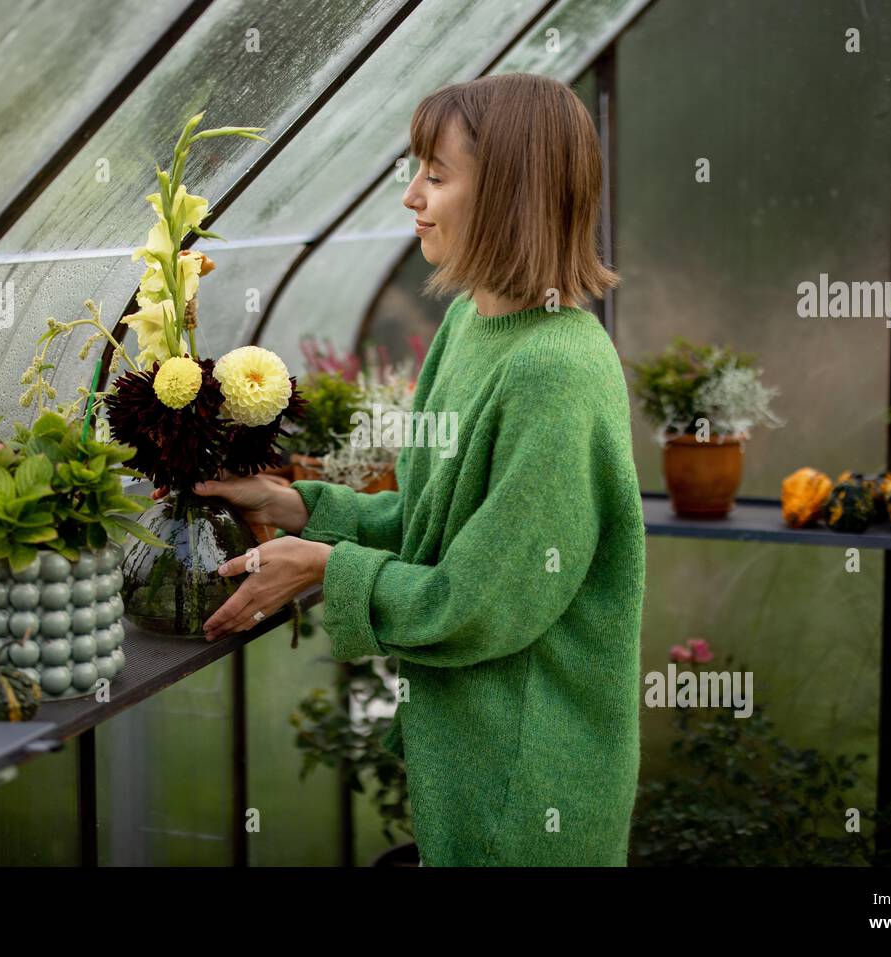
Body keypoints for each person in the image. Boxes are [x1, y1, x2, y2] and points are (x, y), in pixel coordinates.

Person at [184, 73, 646, 866]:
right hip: (471, 772)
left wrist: (327, 567)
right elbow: (432, 527)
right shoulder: (470, 323)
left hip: (529, 795)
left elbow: (481, 599)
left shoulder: (555, 371)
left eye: (436, 175)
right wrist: (298, 506)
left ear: (510, 192)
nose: (411, 197)